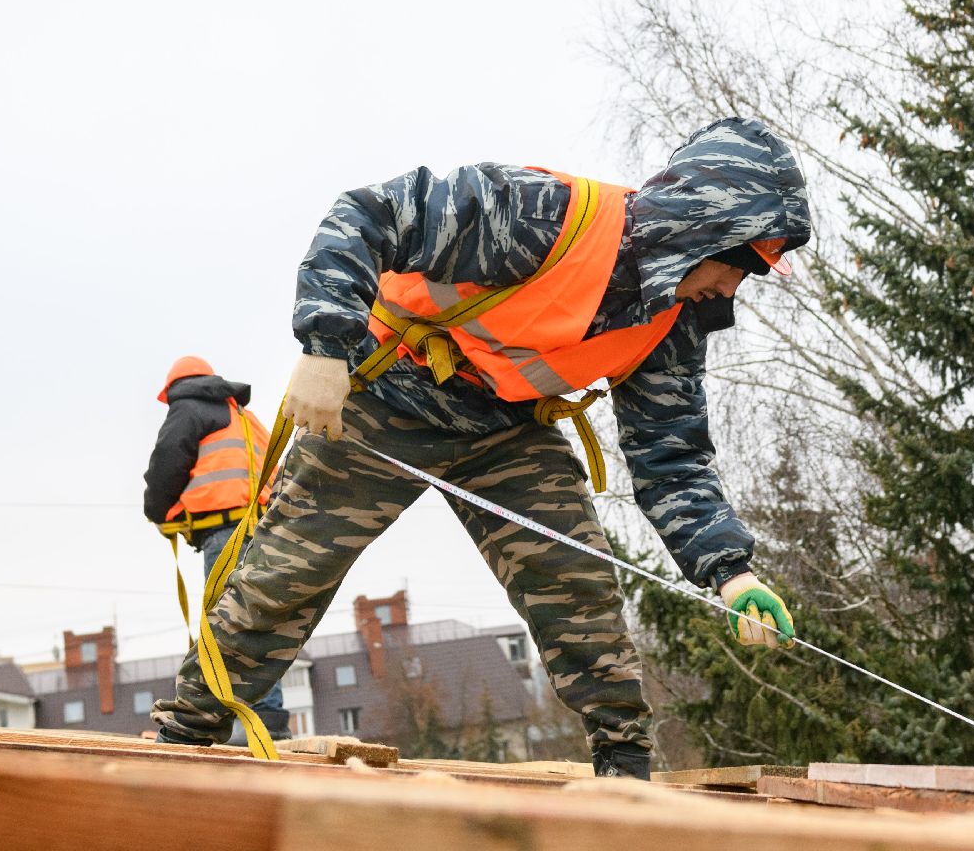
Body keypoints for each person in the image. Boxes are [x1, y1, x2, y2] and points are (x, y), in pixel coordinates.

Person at [153, 117, 810, 777]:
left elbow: (671, 455)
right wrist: (325, 347)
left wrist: (730, 571)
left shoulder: (672, 320)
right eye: (740, 265)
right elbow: (367, 214)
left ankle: (625, 768)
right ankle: (184, 738)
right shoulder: (541, 215)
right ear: (700, 228)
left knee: (577, 584)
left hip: (503, 430)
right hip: (387, 396)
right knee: (282, 578)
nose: (731, 289)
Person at [145, 355, 291, 739]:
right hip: (262, 529)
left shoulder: (189, 409)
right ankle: (270, 719)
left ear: (176, 388)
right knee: (255, 617)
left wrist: (158, 511)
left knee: (229, 624)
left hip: (227, 532)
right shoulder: (243, 417)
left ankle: (242, 718)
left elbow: (167, 464)